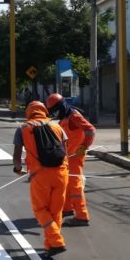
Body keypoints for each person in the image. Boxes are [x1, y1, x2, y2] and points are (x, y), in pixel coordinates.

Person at [12, 101, 69, 259]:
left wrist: (18, 170)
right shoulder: (57, 126)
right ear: (44, 111)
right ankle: (50, 246)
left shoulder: (23, 128)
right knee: (55, 211)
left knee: (40, 210)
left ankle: (56, 242)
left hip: (40, 175)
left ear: (28, 113)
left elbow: (17, 157)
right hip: (61, 173)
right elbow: (65, 149)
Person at [46, 93, 96, 226]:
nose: (54, 113)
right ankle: (67, 209)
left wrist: (84, 146)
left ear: (60, 106)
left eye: (54, 110)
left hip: (76, 156)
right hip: (68, 156)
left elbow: (90, 130)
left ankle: (82, 216)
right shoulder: (64, 117)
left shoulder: (73, 116)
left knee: (75, 185)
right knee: (67, 182)